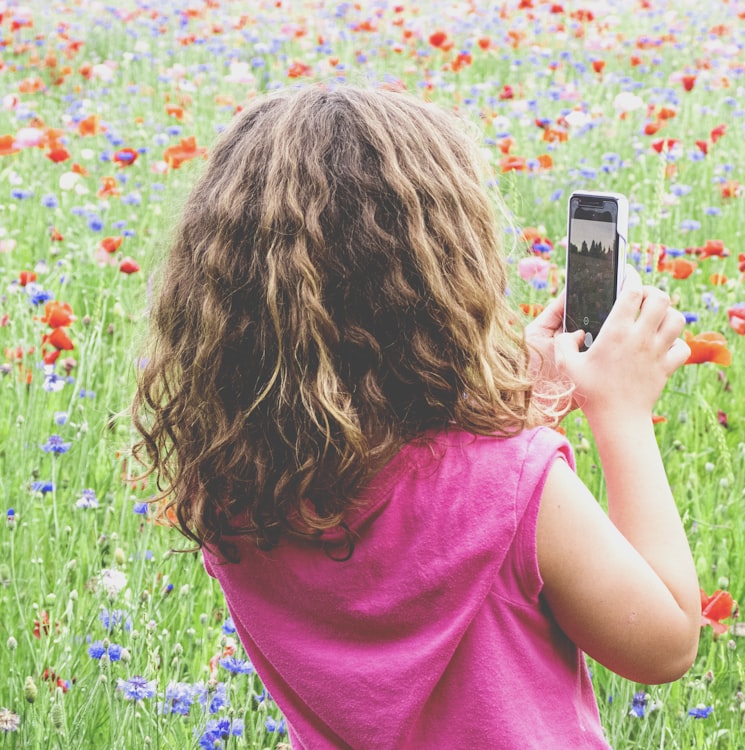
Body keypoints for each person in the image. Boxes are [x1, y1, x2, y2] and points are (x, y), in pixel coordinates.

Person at [132, 84, 701, 749]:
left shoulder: (232, 484)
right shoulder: (518, 488)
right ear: (445, 277)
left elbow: (406, 506)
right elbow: (664, 647)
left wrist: (523, 411)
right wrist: (620, 413)